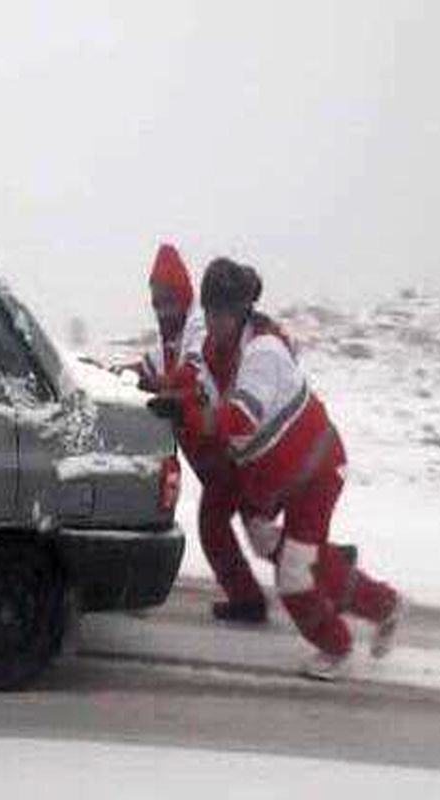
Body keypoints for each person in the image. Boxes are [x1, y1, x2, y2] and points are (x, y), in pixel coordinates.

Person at [177, 257, 404, 679]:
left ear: (242, 310)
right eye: (210, 311)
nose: (216, 321)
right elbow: (199, 388)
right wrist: (176, 398)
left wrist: (189, 415)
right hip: (276, 477)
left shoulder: (264, 351)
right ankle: (375, 598)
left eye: (225, 312)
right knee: (266, 540)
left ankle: (337, 648)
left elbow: (240, 417)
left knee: (295, 574)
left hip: (315, 472)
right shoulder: (215, 350)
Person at [137, 244, 272, 623]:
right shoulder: (167, 339)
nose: (160, 306)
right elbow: (150, 368)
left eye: (167, 297)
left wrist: (163, 389)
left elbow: (192, 374)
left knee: (224, 528)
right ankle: (311, 570)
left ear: (183, 295)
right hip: (213, 452)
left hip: (224, 448)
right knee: (257, 532)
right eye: (155, 298)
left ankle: (318, 573)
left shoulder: (198, 327)